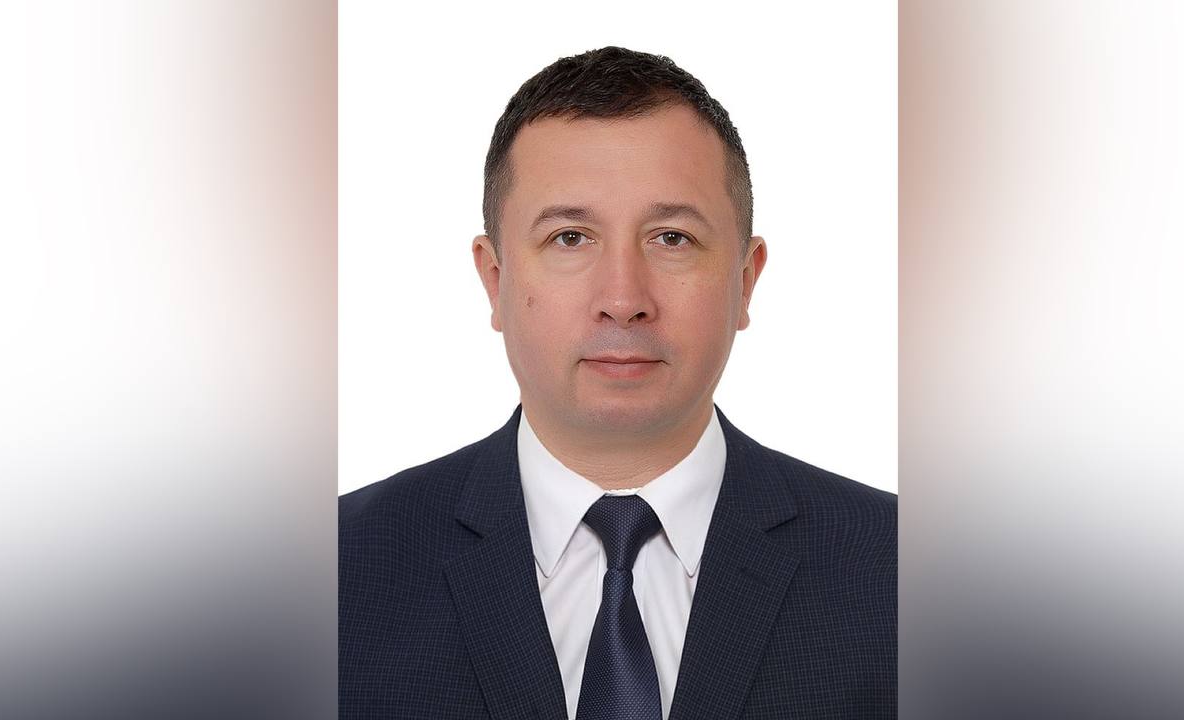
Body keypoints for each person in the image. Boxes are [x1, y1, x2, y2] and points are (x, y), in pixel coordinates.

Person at [340, 46, 896, 720]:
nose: (623, 300)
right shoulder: (334, 573)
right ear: (495, 279)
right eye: (570, 238)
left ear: (745, 280)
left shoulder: (902, 574)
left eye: (672, 238)